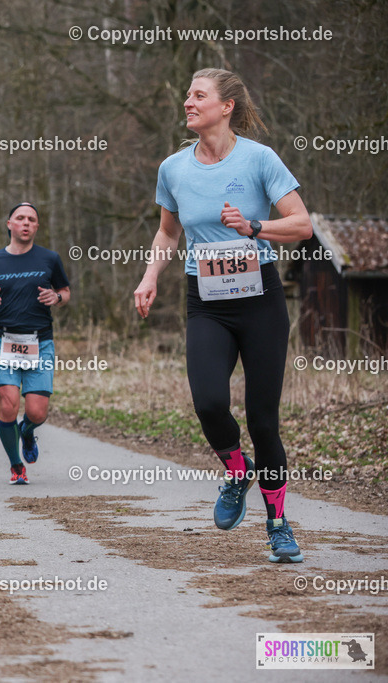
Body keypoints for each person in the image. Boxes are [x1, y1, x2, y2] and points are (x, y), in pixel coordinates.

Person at [133, 68, 312, 564]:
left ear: (226, 106)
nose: (188, 102)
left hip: (260, 299)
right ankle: (237, 470)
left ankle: (278, 525)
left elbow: (301, 224)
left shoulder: (259, 158)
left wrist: (255, 226)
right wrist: (150, 277)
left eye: (199, 95)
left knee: (263, 420)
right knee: (209, 402)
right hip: (206, 300)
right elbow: (168, 232)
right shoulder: (173, 168)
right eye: (187, 95)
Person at [0, 203, 70, 485]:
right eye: (20, 218)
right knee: (8, 406)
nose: (26, 223)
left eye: (31, 219)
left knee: (37, 412)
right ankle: (16, 465)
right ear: (9, 224)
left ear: (36, 226)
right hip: (4, 341)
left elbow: (65, 292)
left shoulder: (49, 259)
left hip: (40, 342)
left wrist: (57, 298)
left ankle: (26, 432)